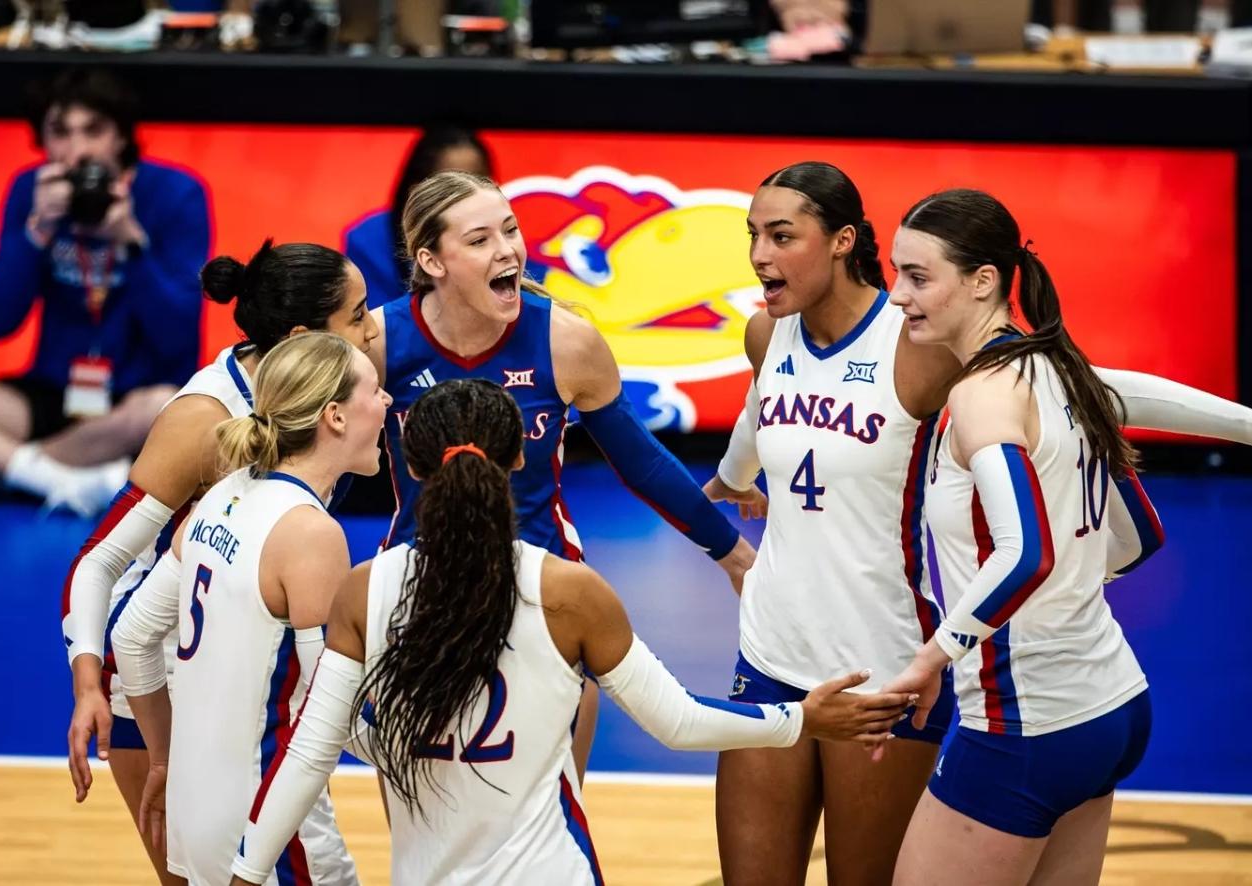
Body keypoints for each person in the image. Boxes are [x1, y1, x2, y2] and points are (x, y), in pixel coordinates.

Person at [701, 161, 1252, 886]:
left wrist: (936, 655)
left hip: (900, 671)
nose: (759, 255)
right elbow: (757, 410)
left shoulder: (937, 361)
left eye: (780, 235)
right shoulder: (772, 337)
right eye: (752, 235)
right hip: (779, 651)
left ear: (840, 241)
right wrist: (732, 479)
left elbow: (1067, 449)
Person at [227, 378, 916, 886]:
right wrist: (801, 719)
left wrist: (244, 874)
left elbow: (307, 756)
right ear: (518, 462)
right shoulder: (568, 591)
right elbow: (677, 722)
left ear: (410, 468)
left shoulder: (363, 588)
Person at [367, 169, 759, 780]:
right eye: (478, 240)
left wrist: (733, 554)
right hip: (419, 581)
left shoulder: (565, 340)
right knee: (431, 802)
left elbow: (640, 459)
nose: (507, 250)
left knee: (555, 802)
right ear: (431, 260)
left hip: (542, 578)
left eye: (510, 229)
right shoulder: (379, 342)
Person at [62, 239, 375, 885]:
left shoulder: (330, 384)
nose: (375, 329)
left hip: (223, 653)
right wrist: (88, 682)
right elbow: (100, 561)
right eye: (359, 315)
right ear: (302, 336)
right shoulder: (206, 417)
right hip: (155, 674)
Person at [880, 188, 1163, 886]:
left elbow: (1025, 554)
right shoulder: (1055, 365)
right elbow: (1139, 539)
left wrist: (932, 658)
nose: (896, 296)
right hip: (1111, 705)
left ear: (982, 281)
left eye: (917, 277)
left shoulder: (979, 394)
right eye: (894, 272)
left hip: (1024, 728)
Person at [110, 331, 390, 886]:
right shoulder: (311, 534)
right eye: (375, 391)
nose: (386, 403)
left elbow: (132, 637)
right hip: (267, 830)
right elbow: (328, 711)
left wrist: (164, 759)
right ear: (333, 416)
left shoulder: (223, 492)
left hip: (193, 815)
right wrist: (441, 754)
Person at [0, 67, 210, 515]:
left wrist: (132, 244)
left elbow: (177, 337)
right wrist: (36, 232)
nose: (77, 150)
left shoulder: (176, 193)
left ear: (120, 137)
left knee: (163, 406)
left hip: (135, 403)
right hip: (51, 393)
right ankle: (46, 477)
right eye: (60, 132)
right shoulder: (30, 192)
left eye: (93, 131)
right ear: (43, 141)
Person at [344, 124, 493, 309]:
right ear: (417, 190)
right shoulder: (367, 241)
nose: (473, 195)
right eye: (455, 187)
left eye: (482, 181)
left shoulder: (504, 237)